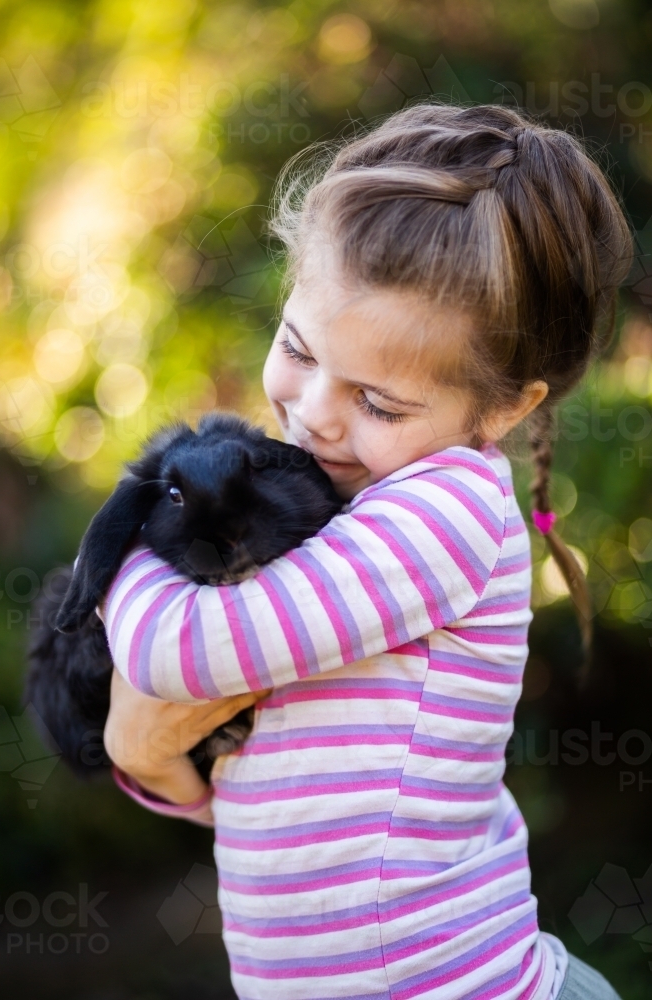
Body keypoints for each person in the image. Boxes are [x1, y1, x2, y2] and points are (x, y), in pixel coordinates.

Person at [99, 103, 631, 1000]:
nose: (312, 412)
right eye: (297, 349)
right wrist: (163, 771)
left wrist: (119, 549)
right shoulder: (330, 506)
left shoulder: (449, 507)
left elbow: (171, 655)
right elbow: (278, 800)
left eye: (378, 404)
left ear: (502, 410)